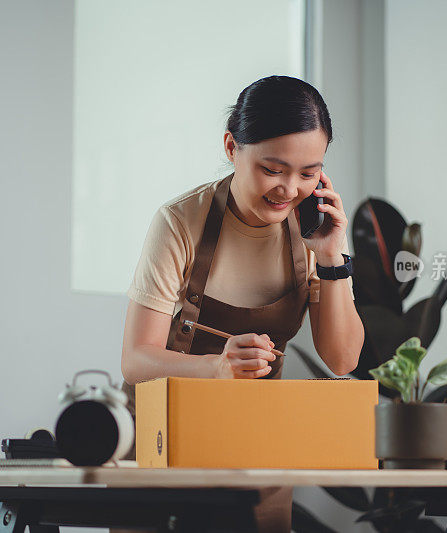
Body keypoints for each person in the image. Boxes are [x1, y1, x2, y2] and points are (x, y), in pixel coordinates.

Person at [120, 75, 364, 531]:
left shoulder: (312, 233)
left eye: (309, 173)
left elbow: (342, 358)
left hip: (254, 441)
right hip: (161, 435)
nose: (290, 189)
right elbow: (135, 360)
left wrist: (332, 257)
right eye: (273, 169)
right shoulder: (179, 221)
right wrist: (216, 368)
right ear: (232, 147)